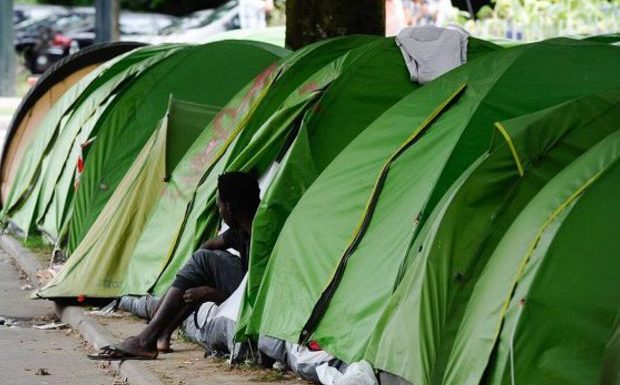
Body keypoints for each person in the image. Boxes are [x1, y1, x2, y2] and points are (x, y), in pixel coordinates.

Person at [89, 171, 260, 360]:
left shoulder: (262, 237)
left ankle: (146, 340)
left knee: (201, 264)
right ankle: (160, 334)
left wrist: (212, 293)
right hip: (242, 285)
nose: (219, 211)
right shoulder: (242, 229)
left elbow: (257, 297)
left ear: (228, 207)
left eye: (219, 205)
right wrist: (189, 277)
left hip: (251, 297)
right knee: (201, 263)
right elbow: (210, 246)